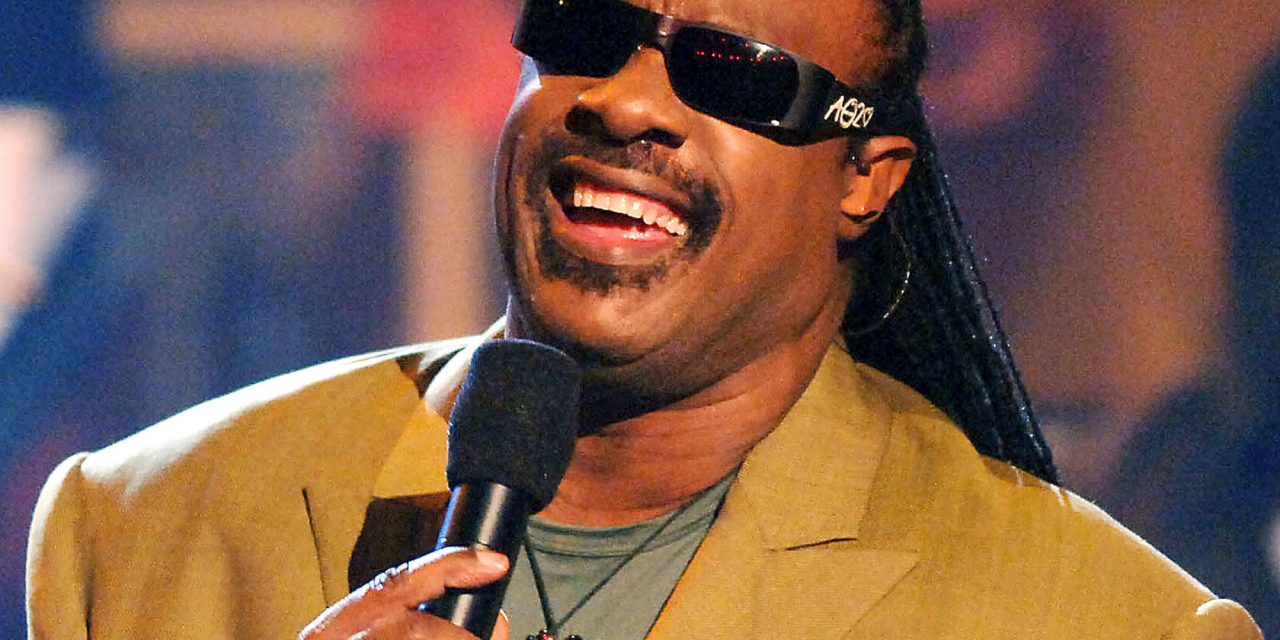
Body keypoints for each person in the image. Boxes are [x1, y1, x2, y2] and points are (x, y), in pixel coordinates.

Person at [25, 0, 1262, 638]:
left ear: (864, 178)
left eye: (732, 70)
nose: (622, 103)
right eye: (583, 30)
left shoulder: (1105, 623)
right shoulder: (140, 527)